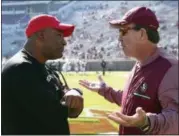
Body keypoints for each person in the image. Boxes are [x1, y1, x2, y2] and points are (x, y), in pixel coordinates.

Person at [79, 6, 178, 135]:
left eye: (123, 31)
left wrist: (147, 122)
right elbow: (135, 100)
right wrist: (105, 91)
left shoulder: (170, 68)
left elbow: (176, 118)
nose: (119, 38)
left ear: (142, 34)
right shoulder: (140, 64)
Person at [2, 14, 84, 135]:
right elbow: (60, 112)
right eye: (59, 35)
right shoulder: (21, 68)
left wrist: (75, 92)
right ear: (41, 36)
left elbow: (69, 102)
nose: (64, 42)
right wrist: (75, 100)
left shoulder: (43, 66)